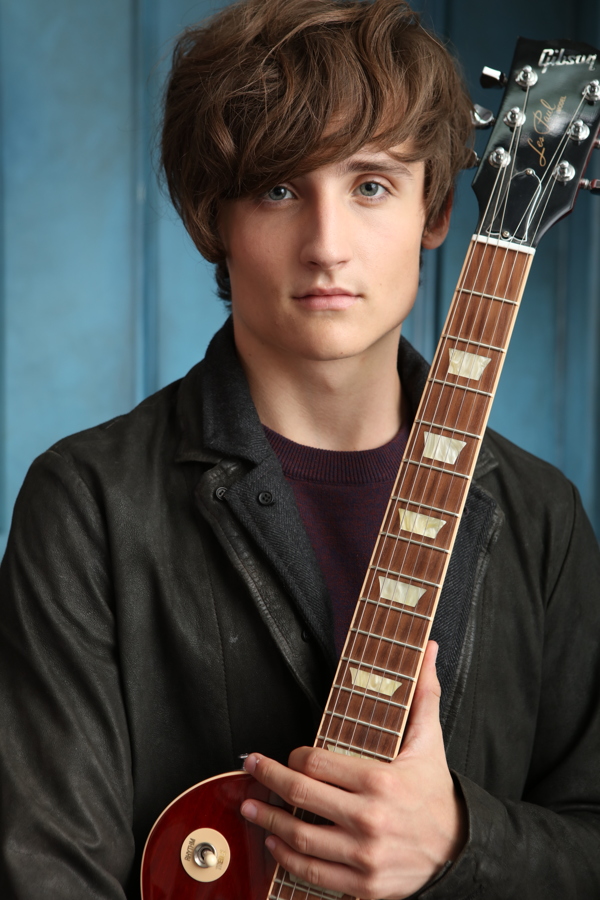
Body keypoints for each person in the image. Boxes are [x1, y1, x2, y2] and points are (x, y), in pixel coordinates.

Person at [1, 0, 599, 898]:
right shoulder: (88, 505)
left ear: (435, 210)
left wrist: (460, 844)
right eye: (279, 189)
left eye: (371, 185)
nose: (327, 246)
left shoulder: (542, 516)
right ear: (217, 218)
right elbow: (48, 869)